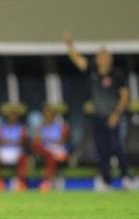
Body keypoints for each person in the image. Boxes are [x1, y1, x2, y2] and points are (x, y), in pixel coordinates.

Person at [64, 33, 131, 190]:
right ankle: (106, 181)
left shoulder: (117, 74)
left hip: (113, 117)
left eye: (105, 56)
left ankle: (126, 177)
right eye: (100, 56)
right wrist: (69, 46)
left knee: (116, 146)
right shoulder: (93, 71)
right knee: (102, 150)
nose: (102, 59)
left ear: (110, 59)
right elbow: (79, 61)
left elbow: (124, 95)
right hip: (97, 116)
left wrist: (116, 114)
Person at [32, 105, 69, 192]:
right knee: (45, 152)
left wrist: (48, 141)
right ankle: (47, 182)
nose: (47, 117)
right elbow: (36, 143)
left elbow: (62, 142)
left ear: (54, 116)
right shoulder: (40, 128)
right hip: (45, 152)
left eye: (49, 114)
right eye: (45, 115)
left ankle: (47, 182)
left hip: (58, 150)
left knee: (51, 157)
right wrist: (39, 130)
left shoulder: (61, 127)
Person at [0, 103, 29, 192]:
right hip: (3, 151)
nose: (13, 117)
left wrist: (6, 141)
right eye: (11, 115)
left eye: (14, 115)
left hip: (16, 151)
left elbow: (22, 141)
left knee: (24, 159)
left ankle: (20, 182)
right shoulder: (1, 128)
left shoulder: (21, 128)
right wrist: (13, 141)